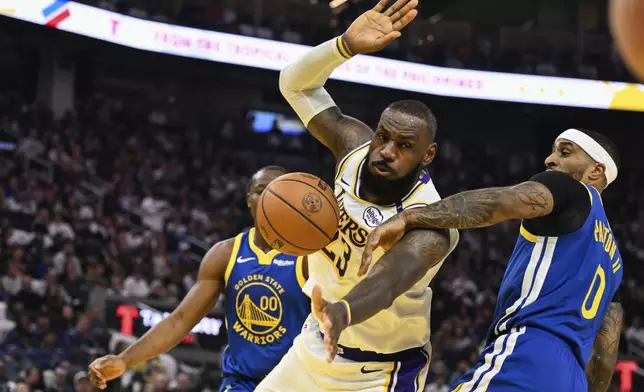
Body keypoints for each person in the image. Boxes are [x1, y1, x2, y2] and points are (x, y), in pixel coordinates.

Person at [256, 0, 459, 390]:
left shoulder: (431, 220)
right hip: (313, 345)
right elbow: (293, 84)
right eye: (383, 136)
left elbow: (386, 282)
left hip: (378, 373)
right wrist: (343, 46)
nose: (385, 150)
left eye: (404, 146)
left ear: (427, 155)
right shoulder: (354, 147)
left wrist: (342, 313)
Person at [361, 128, 624, 392]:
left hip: (529, 354)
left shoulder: (571, 190)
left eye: (564, 152)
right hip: (573, 380)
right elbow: (605, 355)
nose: (550, 159)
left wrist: (410, 217)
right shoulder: (615, 260)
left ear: (596, 171)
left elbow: (504, 202)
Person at [87, 166, 311, 392]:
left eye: (277, 191)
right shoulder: (225, 254)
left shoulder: (310, 256)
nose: (267, 198)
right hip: (243, 384)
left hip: (297, 383)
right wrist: (125, 359)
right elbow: (181, 320)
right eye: (260, 190)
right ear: (248, 199)